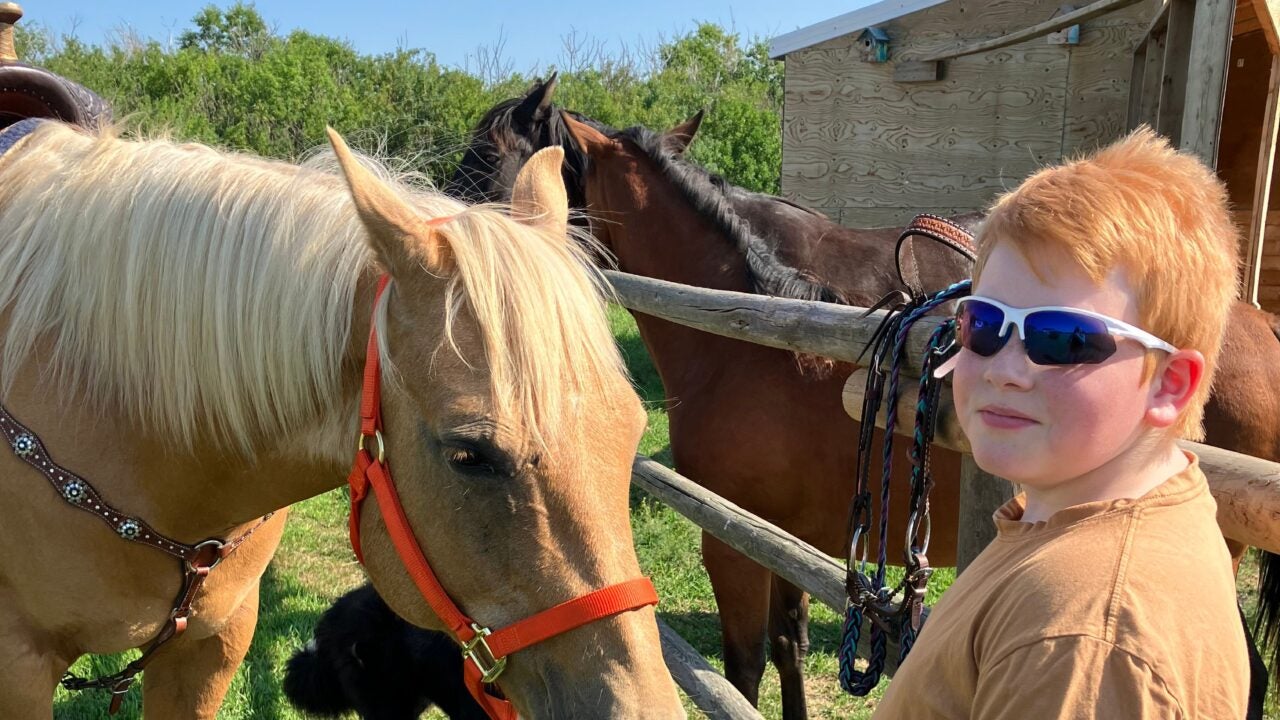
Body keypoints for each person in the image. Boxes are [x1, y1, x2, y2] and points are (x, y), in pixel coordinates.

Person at [873, 128, 1250, 718]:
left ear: (1169, 384)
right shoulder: (1080, 522)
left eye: (1064, 338)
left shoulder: (1082, 642)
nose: (1005, 370)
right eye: (983, 324)